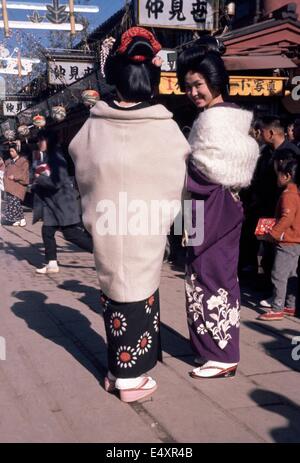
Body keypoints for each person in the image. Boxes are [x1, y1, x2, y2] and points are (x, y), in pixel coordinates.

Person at [69, 27, 190, 402]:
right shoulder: (166, 128)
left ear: (115, 77)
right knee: (139, 292)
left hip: (107, 225)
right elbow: (179, 179)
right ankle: (129, 380)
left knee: (114, 294)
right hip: (145, 225)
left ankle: (115, 369)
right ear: (152, 80)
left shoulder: (93, 125)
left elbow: (82, 166)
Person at [176, 46, 259, 379]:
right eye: (188, 86)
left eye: (198, 84)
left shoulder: (214, 119)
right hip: (218, 207)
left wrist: (180, 165)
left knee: (211, 277)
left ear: (215, 80)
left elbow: (204, 171)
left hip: (212, 208)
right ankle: (214, 350)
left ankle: (222, 354)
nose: (193, 92)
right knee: (211, 277)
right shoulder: (226, 114)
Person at [32, 130, 93, 274]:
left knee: (71, 234)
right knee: (47, 231)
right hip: (53, 205)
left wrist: (39, 179)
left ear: (49, 141)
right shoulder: (47, 157)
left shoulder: (56, 158)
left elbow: (56, 183)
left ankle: (102, 254)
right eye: (38, 140)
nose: (39, 143)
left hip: (63, 204)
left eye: (42, 140)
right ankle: (52, 263)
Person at [258, 152, 300, 320]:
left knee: (279, 275)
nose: (277, 178)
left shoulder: (288, 195)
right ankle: (290, 305)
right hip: (296, 240)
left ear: (287, 176)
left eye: (279, 175)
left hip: (286, 241)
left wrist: (273, 234)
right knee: (291, 275)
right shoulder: (297, 193)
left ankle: (277, 308)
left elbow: (286, 217)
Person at [3, 141, 29, 227]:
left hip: (18, 186)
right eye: (10, 151)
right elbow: (5, 172)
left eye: (12, 151)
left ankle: (22, 219)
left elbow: (24, 174)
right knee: (11, 203)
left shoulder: (23, 161)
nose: (11, 153)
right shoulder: (8, 161)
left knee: (16, 203)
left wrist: (15, 177)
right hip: (10, 185)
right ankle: (17, 219)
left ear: (17, 151)